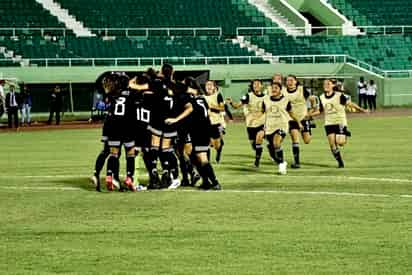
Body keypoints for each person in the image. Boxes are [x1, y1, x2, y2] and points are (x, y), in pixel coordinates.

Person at [166, 77, 221, 190]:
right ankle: (206, 181)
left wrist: (175, 119)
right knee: (196, 158)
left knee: (202, 158)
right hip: (204, 129)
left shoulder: (189, 100)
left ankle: (215, 183)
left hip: (199, 131)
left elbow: (190, 110)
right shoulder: (201, 98)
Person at [309, 79, 368, 168]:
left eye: (328, 84)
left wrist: (362, 110)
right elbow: (320, 111)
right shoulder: (321, 97)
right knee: (332, 145)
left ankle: (345, 133)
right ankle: (340, 163)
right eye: (324, 84)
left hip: (340, 121)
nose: (326, 85)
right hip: (328, 123)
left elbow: (350, 104)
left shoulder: (339, 95)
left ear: (333, 85)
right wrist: (309, 115)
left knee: (340, 142)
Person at [263, 82, 302, 174]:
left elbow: (291, 113)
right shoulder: (266, 100)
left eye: (276, 88)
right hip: (269, 127)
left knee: (276, 143)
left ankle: (281, 165)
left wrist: (298, 122)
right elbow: (262, 113)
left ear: (280, 90)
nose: (273, 89)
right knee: (272, 149)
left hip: (281, 125)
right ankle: (281, 161)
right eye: (272, 88)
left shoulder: (285, 100)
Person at [227, 79, 266, 167]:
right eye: (254, 84)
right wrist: (231, 103)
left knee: (259, 139)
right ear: (252, 86)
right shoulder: (248, 96)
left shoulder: (266, 97)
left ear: (261, 86)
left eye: (258, 84)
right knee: (254, 145)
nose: (256, 86)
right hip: (251, 124)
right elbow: (237, 106)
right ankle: (261, 151)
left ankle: (257, 161)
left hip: (262, 122)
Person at [283, 75, 318, 168]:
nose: (289, 82)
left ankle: (309, 127)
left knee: (307, 140)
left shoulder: (302, 89)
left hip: (303, 118)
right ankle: (297, 162)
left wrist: (311, 110)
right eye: (287, 80)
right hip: (291, 119)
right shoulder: (283, 91)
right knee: (295, 139)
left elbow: (312, 99)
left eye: (291, 80)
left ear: (295, 81)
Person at [204, 80, 225, 164]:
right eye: (207, 85)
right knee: (206, 142)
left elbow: (222, 108)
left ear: (214, 87)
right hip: (205, 123)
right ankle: (206, 162)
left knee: (216, 145)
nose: (208, 86)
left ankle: (218, 152)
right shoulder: (202, 96)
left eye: (210, 85)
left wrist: (212, 107)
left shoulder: (218, 95)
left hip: (216, 122)